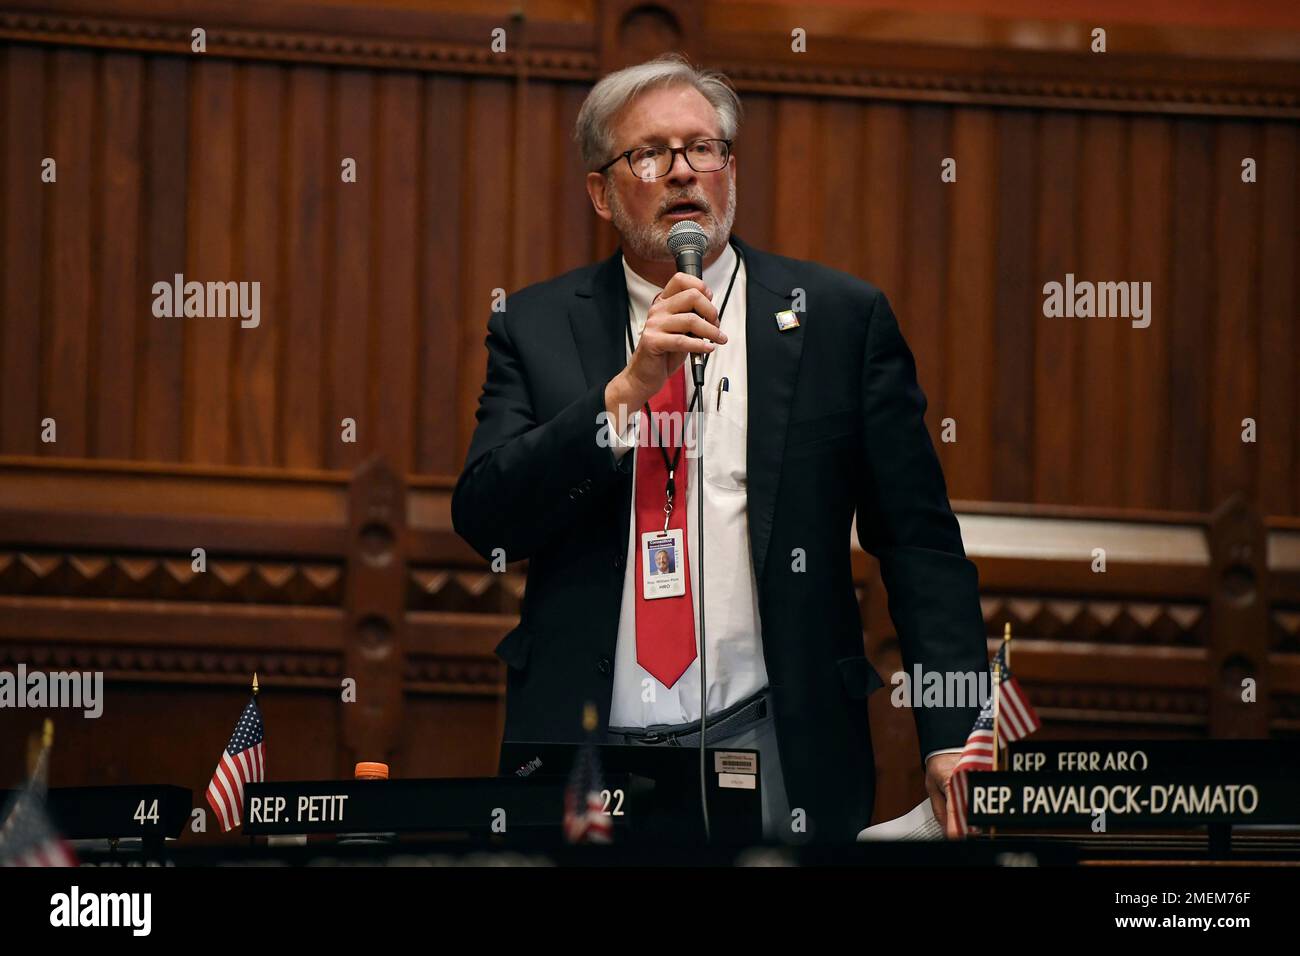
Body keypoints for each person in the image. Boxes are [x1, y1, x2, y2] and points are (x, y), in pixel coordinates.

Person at [452, 53, 989, 841]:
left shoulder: (839, 319)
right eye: (651, 153)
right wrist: (624, 394)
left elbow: (920, 544)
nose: (682, 173)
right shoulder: (533, 327)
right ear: (601, 191)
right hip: (586, 753)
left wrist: (951, 732)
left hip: (778, 745)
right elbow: (487, 518)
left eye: (703, 149)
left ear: (730, 171)